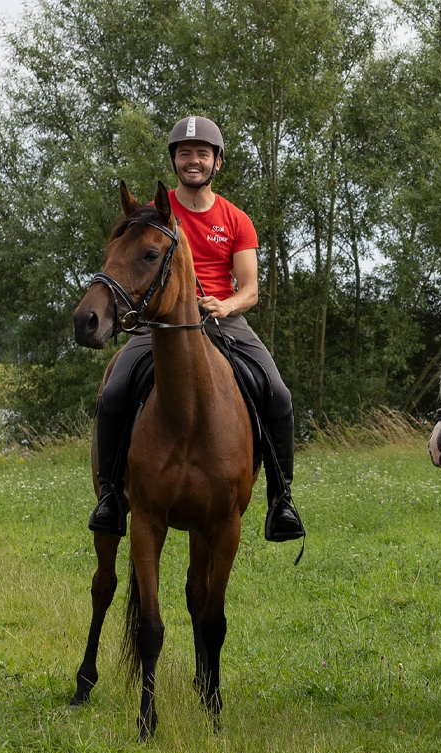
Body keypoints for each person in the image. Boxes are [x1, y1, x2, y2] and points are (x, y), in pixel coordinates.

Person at [87, 115, 305, 543]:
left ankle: (281, 500)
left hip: (223, 318)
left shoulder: (236, 219)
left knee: (278, 392)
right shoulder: (155, 213)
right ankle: (111, 495)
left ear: (216, 162)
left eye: (202, 154)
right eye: (184, 154)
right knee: (113, 392)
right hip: (160, 322)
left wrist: (225, 304)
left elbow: (252, 288)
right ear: (174, 161)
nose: (193, 161)